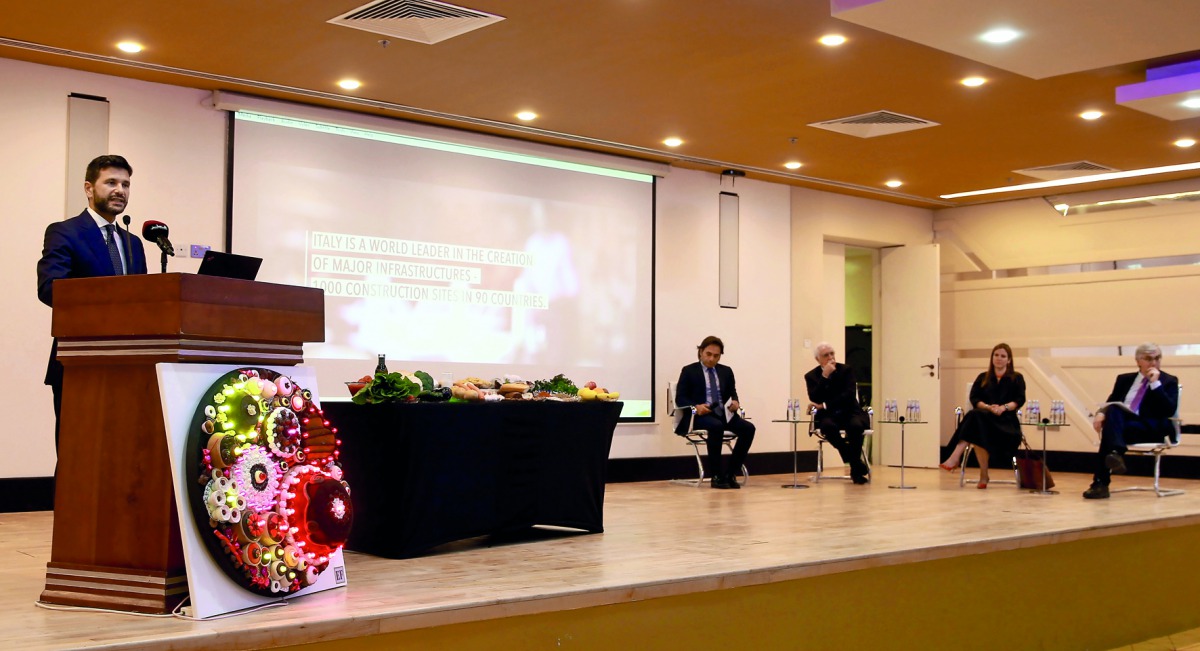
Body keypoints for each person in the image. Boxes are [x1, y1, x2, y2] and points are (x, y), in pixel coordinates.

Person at [37, 155, 149, 448]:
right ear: (89, 188)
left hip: (129, 366)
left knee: (121, 451)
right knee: (78, 451)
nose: (120, 190)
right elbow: (51, 288)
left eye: (125, 184)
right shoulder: (65, 232)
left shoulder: (132, 242)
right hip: (80, 362)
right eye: (110, 182)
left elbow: (146, 301)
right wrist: (110, 303)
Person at [1082, 343, 1179, 500]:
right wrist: (1100, 414)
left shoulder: (1169, 381)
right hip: (1126, 427)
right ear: (1138, 361)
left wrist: (1155, 384)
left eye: (1157, 358)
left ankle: (1100, 482)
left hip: (1151, 428)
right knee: (1113, 410)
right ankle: (1114, 454)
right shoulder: (1124, 379)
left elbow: (1168, 410)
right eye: (1148, 359)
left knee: (1110, 432)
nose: (1153, 363)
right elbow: (1111, 402)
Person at [939, 343, 1025, 489]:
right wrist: (988, 407)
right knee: (977, 421)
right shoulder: (983, 377)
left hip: (1007, 424)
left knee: (975, 420)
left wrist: (1003, 408)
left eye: (1003, 356)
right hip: (985, 420)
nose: (999, 358)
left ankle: (955, 457)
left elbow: (1019, 400)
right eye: (996, 355)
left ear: (1009, 360)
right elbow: (974, 399)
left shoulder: (1016, 378)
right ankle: (981, 474)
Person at [674, 335, 756, 489]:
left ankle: (730, 474)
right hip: (700, 415)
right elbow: (680, 398)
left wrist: (735, 402)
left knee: (749, 429)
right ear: (700, 352)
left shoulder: (726, 371)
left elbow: (732, 392)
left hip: (724, 413)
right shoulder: (689, 371)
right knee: (716, 426)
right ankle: (716, 476)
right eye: (708, 354)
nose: (712, 359)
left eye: (716, 356)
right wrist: (696, 406)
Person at [804, 342, 871, 484]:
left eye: (832, 353)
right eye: (825, 355)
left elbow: (849, 395)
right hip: (829, 415)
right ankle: (854, 461)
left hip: (849, 411)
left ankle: (855, 470)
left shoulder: (846, 370)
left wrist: (824, 405)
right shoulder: (811, 376)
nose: (830, 357)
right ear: (818, 359)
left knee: (856, 427)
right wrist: (825, 376)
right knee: (827, 427)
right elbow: (814, 397)